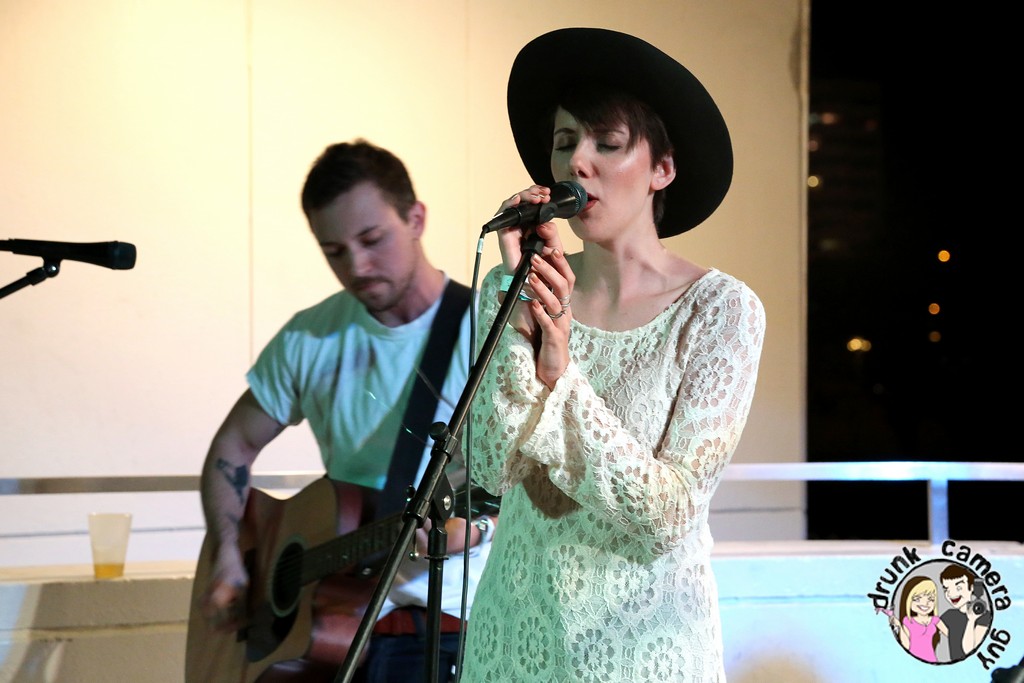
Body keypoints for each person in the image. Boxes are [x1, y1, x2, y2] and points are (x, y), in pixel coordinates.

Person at [460, 28, 765, 682]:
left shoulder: (720, 311)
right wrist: (517, 307)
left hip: (642, 652)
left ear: (662, 168)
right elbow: (488, 466)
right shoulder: (513, 289)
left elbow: (669, 514)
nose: (577, 161)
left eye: (607, 142)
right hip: (512, 639)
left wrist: (560, 374)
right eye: (565, 141)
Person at [194, 139, 495, 683]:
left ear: (416, 219)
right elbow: (232, 448)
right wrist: (229, 557)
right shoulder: (309, 337)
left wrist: (469, 531)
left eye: (372, 240)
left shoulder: (486, 334)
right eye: (334, 251)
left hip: (448, 621)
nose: (356, 266)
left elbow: (526, 486)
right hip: (329, 627)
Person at [888, 575, 947, 662]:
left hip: (932, 659)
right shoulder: (908, 621)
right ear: (908, 600)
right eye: (917, 599)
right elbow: (906, 645)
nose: (925, 603)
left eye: (931, 599)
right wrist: (899, 626)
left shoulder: (935, 620)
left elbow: (951, 635)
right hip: (913, 660)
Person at [939, 563, 991, 661]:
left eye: (958, 588)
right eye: (947, 589)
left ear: (971, 587)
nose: (951, 593)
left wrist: (971, 620)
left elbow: (969, 650)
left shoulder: (984, 616)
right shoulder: (949, 615)